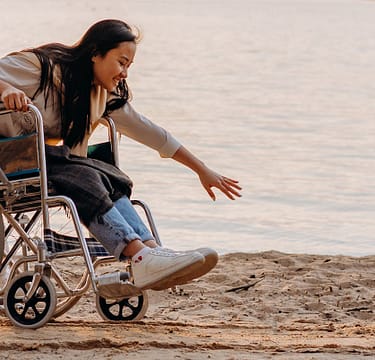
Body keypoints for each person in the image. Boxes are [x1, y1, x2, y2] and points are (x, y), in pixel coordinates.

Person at [0, 19, 242, 291]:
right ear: (95, 54)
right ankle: (138, 255)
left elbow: (151, 132)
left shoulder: (99, 95)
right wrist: (7, 89)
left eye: (129, 66)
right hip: (9, 159)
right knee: (80, 172)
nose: (125, 72)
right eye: (121, 62)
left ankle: (150, 251)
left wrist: (201, 169)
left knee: (108, 174)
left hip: (34, 158)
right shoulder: (41, 68)